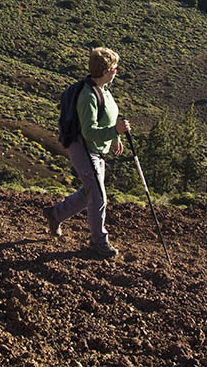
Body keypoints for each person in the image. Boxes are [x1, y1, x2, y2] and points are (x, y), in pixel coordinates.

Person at [42, 47, 129, 258]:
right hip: (83, 149)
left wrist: (114, 137)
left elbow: (106, 120)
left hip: (97, 150)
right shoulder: (87, 95)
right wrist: (114, 131)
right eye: (114, 67)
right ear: (105, 70)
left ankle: (55, 214)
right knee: (98, 195)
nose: (117, 71)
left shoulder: (104, 90)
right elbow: (89, 132)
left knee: (91, 191)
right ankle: (99, 242)